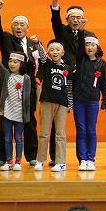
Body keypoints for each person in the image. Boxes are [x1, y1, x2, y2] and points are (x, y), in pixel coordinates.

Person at [50, 0, 98, 166]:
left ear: (83, 19)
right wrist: (55, 4)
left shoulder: (90, 35)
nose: (76, 20)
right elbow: (55, 22)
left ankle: (84, 158)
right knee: (57, 118)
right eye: (72, 18)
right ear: (67, 19)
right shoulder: (62, 31)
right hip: (63, 79)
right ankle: (55, 157)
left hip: (82, 82)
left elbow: (97, 55)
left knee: (84, 124)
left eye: (79, 18)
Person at [0, 0, 40, 167]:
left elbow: (41, 64)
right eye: (16, 24)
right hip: (8, 85)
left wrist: (38, 78)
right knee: (4, 118)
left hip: (28, 86)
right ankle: (2, 156)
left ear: (27, 28)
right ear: (12, 28)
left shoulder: (33, 44)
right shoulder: (6, 39)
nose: (19, 27)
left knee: (29, 120)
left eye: (22, 25)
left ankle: (31, 156)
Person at [33, 39, 73, 172]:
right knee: (44, 133)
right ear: (48, 53)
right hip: (47, 102)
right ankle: (40, 160)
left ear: (63, 52)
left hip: (62, 104)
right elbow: (42, 54)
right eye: (51, 50)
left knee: (60, 134)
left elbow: (69, 87)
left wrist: (70, 104)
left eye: (57, 49)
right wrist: (38, 43)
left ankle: (61, 162)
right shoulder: (47, 64)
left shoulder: (67, 68)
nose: (55, 52)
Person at [0, 50, 30, 171]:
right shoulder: (6, 74)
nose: (11, 64)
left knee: (18, 137)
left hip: (19, 112)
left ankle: (18, 161)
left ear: (21, 64)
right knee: (7, 137)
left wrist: (26, 115)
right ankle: (9, 161)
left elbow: (27, 98)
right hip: (7, 111)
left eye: (15, 62)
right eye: (10, 61)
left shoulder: (26, 78)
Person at [74, 30, 106, 171]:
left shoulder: (101, 63)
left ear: (97, 47)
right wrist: (81, 30)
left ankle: (90, 159)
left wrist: (105, 101)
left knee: (91, 130)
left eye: (92, 45)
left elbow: (104, 83)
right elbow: (79, 44)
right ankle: (82, 159)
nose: (89, 47)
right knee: (81, 130)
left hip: (93, 101)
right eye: (87, 44)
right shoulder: (80, 60)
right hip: (79, 100)